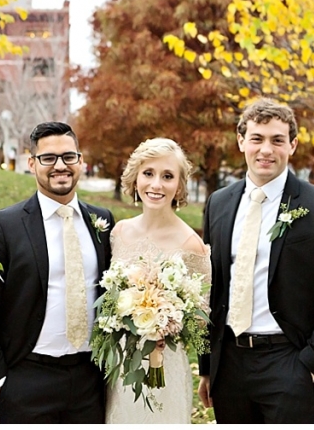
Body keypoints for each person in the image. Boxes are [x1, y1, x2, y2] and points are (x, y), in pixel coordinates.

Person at [198, 98, 314, 423]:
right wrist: (207, 365)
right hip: (228, 364)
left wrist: (311, 362)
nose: (266, 150)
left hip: (288, 362)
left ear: (292, 145)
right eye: (257, 139)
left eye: (277, 140)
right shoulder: (219, 203)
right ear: (241, 141)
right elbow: (210, 288)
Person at [0, 121, 115, 423]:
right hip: (26, 379)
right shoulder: (3, 225)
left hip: (90, 379)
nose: (60, 166)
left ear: (80, 161)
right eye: (48, 158)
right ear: (32, 164)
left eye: (68, 156)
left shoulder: (103, 220)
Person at [105, 138, 211, 424]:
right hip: (120, 364)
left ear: (179, 186)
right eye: (148, 173)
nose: (156, 184)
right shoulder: (118, 233)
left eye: (167, 176)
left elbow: (202, 321)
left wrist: (167, 321)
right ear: (135, 178)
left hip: (166, 365)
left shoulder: (192, 245)